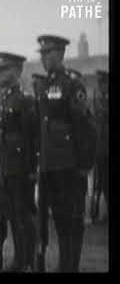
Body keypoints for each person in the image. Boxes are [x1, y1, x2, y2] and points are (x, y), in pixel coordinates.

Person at [35, 34, 97, 272]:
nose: (44, 58)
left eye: (48, 53)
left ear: (60, 54)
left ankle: (71, 266)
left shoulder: (72, 84)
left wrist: (84, 165)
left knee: (72, 220)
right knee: (59, 220)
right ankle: (64, 265)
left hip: (69, 167)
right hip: (50, 165)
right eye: (42, 54)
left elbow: (85, 127)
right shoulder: (44, 86)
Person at [0, 52, 37, 272]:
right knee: (11, 215)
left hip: (21, 167)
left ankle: (27, 259)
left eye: (6, 69)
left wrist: (31, 168)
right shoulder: (5, 99)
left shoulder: (25, 100)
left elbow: (31, 137)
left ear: (18, 71)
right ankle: (20, 258)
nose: (1, 73)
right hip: (7, 167)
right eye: (0, 69)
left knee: (23, 215)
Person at [92, 70, 108, 223]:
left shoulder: (104, 98)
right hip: (100, 146)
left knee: (105, 181)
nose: (99, 84)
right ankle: (96, 212)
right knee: (100, 181)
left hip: (106, 145)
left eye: (101, 81)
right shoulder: (97, 96)